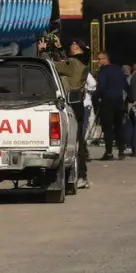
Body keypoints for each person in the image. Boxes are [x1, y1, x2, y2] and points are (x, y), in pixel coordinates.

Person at [57, 41, 92, 187]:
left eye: (72, 44)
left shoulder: (73, 63)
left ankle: (76, 175)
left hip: (70, 106)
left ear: (77, 47)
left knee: (70, 141)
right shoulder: (81, 63)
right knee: (79, 141)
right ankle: (82, 176)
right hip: (78, 104)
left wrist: (43, 52)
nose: (70, 46)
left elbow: (53, 66)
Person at [94, 52, 131, 160]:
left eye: (100, 59)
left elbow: (102, 86)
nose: (98, 62)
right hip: (119, 100)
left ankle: (109, 152)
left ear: (106, 59)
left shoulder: (103, 71)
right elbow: (125, 84)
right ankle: (121, 151)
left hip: (107, 101)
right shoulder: (118, 69)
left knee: (107, 127)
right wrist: (129, 98)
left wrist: (96, 98)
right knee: (119, 126)